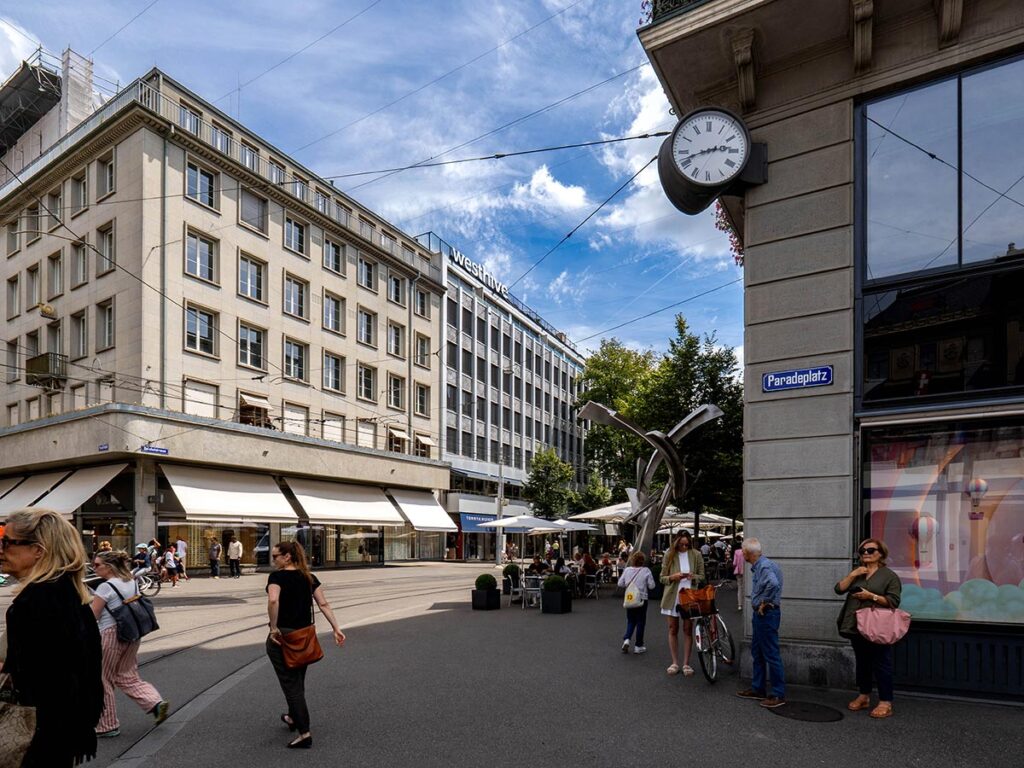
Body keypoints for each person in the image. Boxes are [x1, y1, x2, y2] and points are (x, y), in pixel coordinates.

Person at [1, 508, 103, 767]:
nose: (1, 549)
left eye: (7, 541)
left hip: (37, 736)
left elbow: (27, 678)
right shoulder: (70, 593)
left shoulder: (33, 604)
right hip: (67, 732)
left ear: (38, 550)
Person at [266, 541, 346, 749]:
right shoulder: (309, 577)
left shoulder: (277, 577)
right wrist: (336, 628)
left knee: (291, 685)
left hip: (283, 637)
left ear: (287, 557)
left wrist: (274, 627)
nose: (273, 559)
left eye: (276, 556)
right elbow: (323, 604)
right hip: (305, 637)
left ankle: (304, 733)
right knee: (297, 681)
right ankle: (293, 718)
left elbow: (274, 601)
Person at [90, 550, 170, 737]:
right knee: (127, 675)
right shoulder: (131, 581)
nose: (94, 568)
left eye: (97, 565)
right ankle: (155, 703)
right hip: (132, 634)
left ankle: (107, 725)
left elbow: (94, 615)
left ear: (109, 567)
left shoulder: (105, 587)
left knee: (103, 680)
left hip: (110, 635)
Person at [835, 538, 902, 719]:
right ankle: (864, 695)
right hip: (856, 625)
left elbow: (893, 601)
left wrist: (870, 596)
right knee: (862, 662)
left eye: (871, 550)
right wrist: (852, 574)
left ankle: (885, 701)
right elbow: (838, 589)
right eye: (863, 551)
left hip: (877, 626)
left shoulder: (889, 576)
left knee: (881, 663)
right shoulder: (858, 573)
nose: (866, 553)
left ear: (880, 553)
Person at [736, 538, 786, 708]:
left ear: (747, 553)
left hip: (766, 614)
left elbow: (773, 583)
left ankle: (778, 694)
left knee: (771, 653)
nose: (742, 554)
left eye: (743, 552)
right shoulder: (764, 565)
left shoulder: (764, 566)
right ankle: (758, 689)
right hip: (763, 615)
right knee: (758, 652)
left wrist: (764, 602)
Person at [659, 531, 705, 676]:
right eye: (681, 544)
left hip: (689, 597)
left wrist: (693, 577)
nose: (684, 547)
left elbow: (702, 576)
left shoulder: (696, 554)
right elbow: (662, 578)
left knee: (687, 629)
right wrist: (673, 577)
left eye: (687, 544)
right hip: (672, 596)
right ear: (676, 543)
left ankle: (686, 663)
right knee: (673, 628)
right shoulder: (669, 555)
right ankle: (674, 662)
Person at [618, 551, 656, 654]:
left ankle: (627, 639)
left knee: (631, 621)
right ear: (643, 561)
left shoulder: (627, 570)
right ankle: (638, 645)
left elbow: (620, 583)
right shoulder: (646, 571)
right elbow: (652, 586)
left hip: (630, 598)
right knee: (640, 622)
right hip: (641, 599)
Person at [732, 537, 745, 611]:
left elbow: (734, 563)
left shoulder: (736, 552)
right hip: (745, 572)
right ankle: (745, 602)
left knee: (739, 588)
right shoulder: (746, 552)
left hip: (738, 571)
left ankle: (740, 605)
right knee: (745, 588)